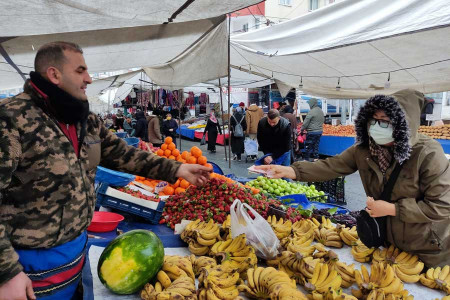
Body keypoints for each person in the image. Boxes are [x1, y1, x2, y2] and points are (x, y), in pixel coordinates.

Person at [0, 41, 212, 300]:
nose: (89, 79)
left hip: (75, 253)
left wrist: (177, 168)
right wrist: (7, 271)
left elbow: (123, 155)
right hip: (25, 265)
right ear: (54, 74)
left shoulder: (86, 120)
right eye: (80, 71)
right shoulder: (11, 118)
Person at [256, 89, 450, 267]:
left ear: (403, 124)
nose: (376, 126)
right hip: (390, 244)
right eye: (373, 120)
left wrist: (392, 209)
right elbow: (331, 165)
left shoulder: (427, 153)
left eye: (384, 121)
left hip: (428, 247)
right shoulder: (365, 149)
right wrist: (291, 171)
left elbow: (442, 205)